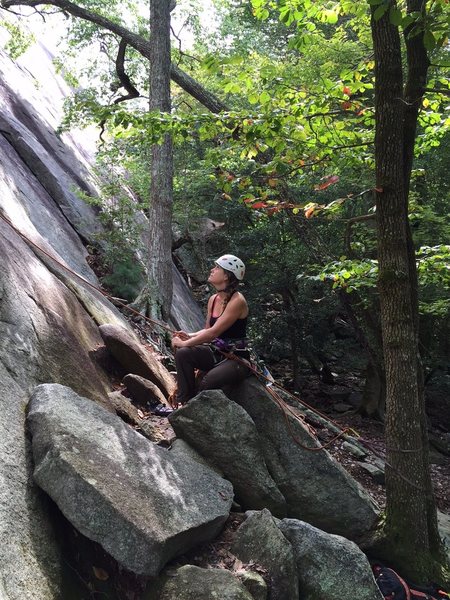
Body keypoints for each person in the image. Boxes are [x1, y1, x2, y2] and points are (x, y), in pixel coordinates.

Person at [171, 254, 250, 405]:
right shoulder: (213, 300)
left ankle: (196, 409)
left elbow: (213, 334)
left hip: (237, 359)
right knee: (183, 354)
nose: (212, 270)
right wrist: (189, 335)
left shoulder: (237, 301)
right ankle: (184, 403)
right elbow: (208, 329)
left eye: (217, 268)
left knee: (208, 381)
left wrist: (183, 343)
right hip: (217, 352)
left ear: (226, 276)